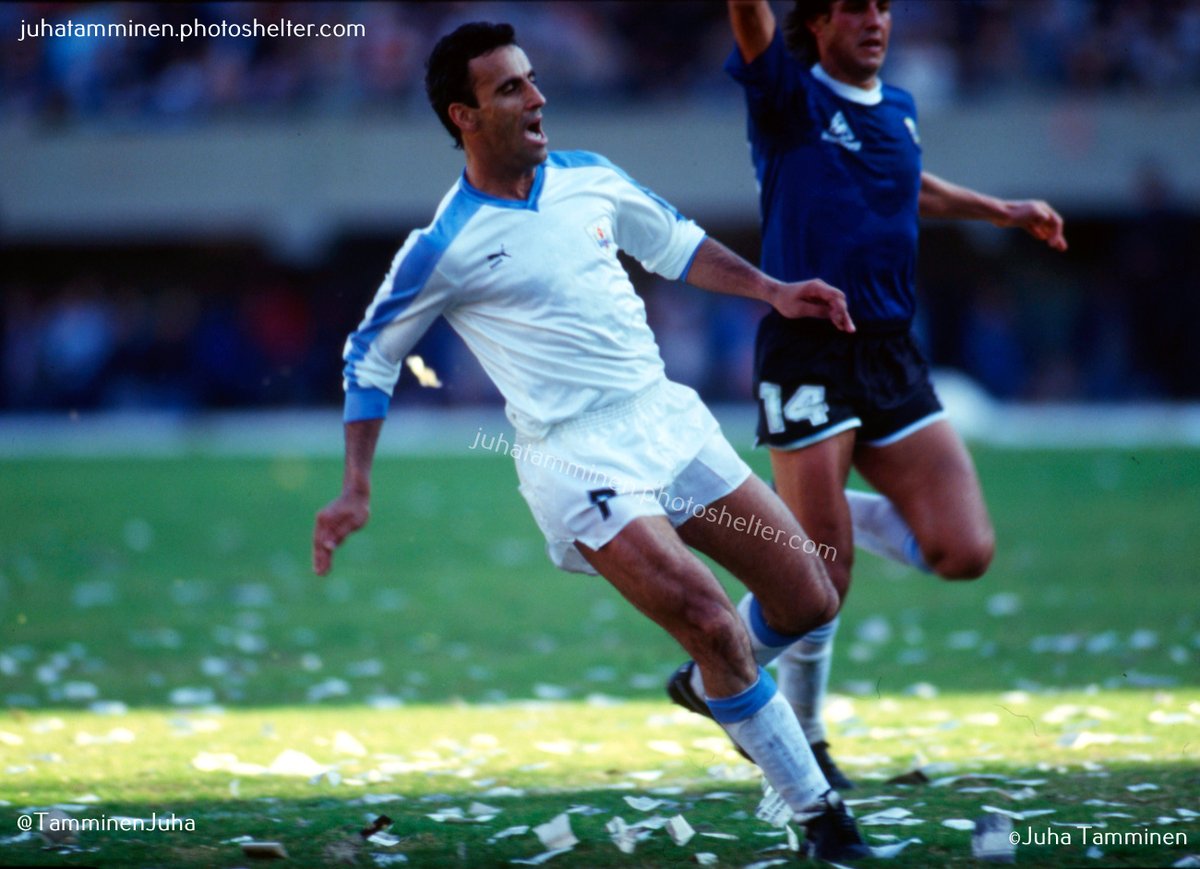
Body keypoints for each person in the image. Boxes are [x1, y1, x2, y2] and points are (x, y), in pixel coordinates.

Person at [312, 21, 878, 861]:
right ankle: (819, 818)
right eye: (510, 88)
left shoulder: (590, 178)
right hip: (577, 462)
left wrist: (773, 289)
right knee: (709, 617)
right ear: (464, 116)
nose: (537, 98)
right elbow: (369, 354)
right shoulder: (443, 245)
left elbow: (677, 246)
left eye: (532, 80)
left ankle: (712, 688)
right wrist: (356, 484)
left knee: (808, 595)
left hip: (666, 424)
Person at [667, 0, 1068, 789]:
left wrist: (1001, 209)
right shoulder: (789, 96)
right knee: (822, 575)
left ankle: (735, 638)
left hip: (891, 352)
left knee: (964, 551)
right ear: (816, 25)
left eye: (883, 6)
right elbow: (749, 15)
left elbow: (910, 185)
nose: (875, 20)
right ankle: (772, 708)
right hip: (809, 351)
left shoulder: (899, 109)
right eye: (854, 9)